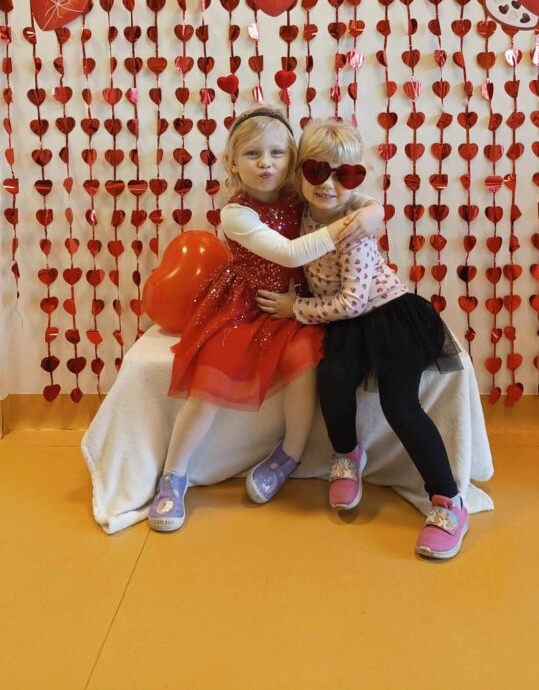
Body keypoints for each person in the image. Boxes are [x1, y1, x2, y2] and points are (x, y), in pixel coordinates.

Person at [148, 108, 381, 532]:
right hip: (244, 304)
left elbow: (349, 195)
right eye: (252, 154)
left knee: (303, 363)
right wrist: (352, 222)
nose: (266, 163)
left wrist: (373, 209)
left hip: (292, 303)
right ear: (232, 163)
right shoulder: (235, 213)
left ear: (293, 160)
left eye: (277, 153)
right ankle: (174, 474)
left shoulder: (300, 192)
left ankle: (289, 455)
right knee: (210, 380)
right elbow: (289, 254)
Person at [256, 119, 468, 561]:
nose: (328, 184)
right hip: (344, 324)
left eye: (345, 175)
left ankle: (448, 501)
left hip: (387, 317)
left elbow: (353, 301)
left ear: (357, 180)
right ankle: (347, 454)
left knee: (399, 405)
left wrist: (295, 307)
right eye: (316, 171)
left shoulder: (354, 228)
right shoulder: (301, 209)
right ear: (300, 173)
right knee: (332, 379)